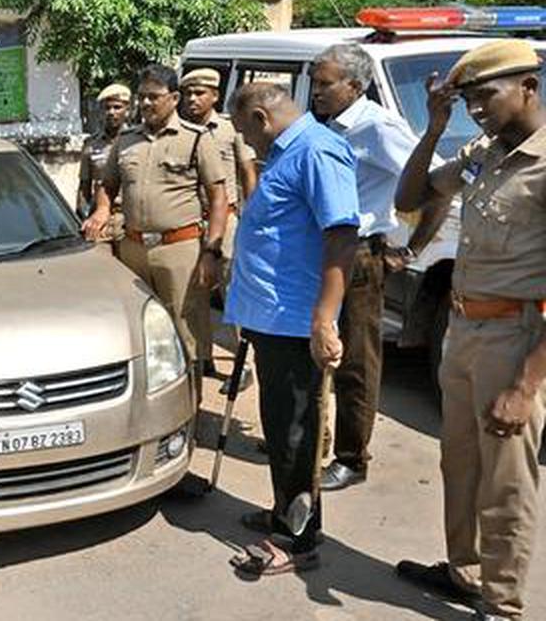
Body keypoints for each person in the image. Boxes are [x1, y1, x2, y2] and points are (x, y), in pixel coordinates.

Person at [393, 39, 546, 621]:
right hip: (462, 329)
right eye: (468, 100)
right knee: (459, 463)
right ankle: (466, 573)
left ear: (528, 88)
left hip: (516, 339)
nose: (476, 108)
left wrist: (527, 386)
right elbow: (412, 198)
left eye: (486, 95)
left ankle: (502, 605)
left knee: (507, 480)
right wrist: (434, 129)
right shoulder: (485, 153)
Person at [225, 83, 359, 576]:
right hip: (270, 318)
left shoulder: (316, 151)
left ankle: (298, 541)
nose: (247, 143)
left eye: (245, 133)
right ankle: (286, 511)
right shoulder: (286, 153)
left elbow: (343, 234)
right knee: (281, 429)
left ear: (261, 117)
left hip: (295, 318)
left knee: (298, 433)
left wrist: (325, 318)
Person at [308, 44, 453, 491]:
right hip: (319, 251)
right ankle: (313, 439)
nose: (315, 92)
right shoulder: (326, 125)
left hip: (357, 255)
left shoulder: (377, 126)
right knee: (314, 349)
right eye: (314, 83)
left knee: (356, 359)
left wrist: (409, 250)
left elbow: (438, 186)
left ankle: (352, 457)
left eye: (324, 84)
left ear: (356, 85)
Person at [83, 63, 230, 377]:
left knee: (186, 332)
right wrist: (100, 211)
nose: (146, 103)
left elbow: (218, 198)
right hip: (133, 249)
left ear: (174, 98)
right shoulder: (126, 141)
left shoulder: (196, 139)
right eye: (142, 97)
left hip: (180, 250)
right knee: (139, 330)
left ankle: (191, 415)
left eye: (154, 97)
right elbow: (108, 186)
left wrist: (211, 251)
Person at [179, 67, 258, 388]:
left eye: (199, 93)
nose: (192, 99)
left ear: (214, 95)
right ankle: (202, 357)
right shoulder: (179, 130)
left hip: (227, 221)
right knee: (194, 293)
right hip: (190, 222)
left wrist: (252, 215)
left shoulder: (229, 129)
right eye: (187, 93)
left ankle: (244, 365)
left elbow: (248, 171)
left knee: (233, 293)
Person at [77, 83, 131, 219]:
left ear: (128, 110)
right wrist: (83, 217)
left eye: (117, 107)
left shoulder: (137, 141)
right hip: (100, 218)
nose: (111, 112)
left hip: (130, 218)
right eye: (107, 108)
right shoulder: (91, 144)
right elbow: (84, 187)